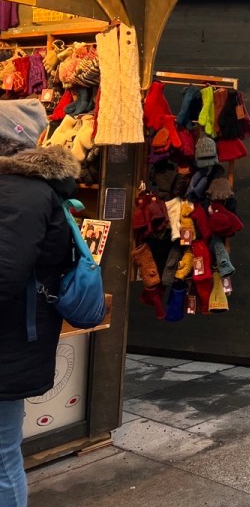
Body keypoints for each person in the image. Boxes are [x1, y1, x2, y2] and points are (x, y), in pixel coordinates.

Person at [1, 100, 81, 506]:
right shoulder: (26, 189)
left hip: (10, 338)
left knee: (1, 454)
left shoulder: (19, 192)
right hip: (16, 335)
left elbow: (5, 272)